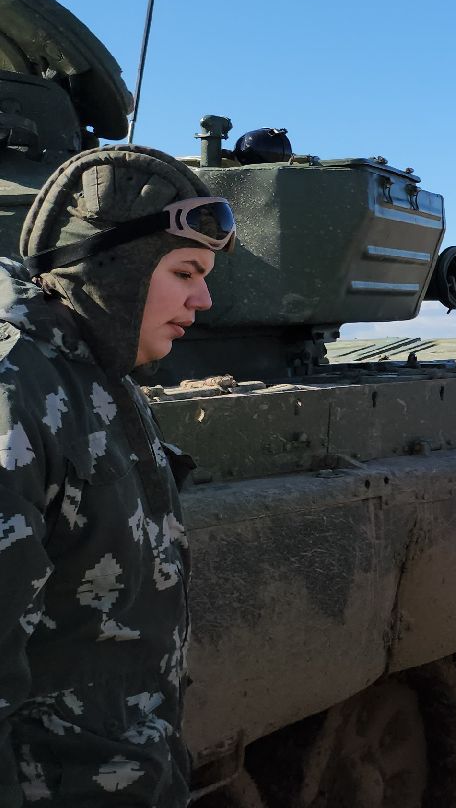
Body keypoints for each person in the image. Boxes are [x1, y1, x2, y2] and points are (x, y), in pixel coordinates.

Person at [0, 146, 235, 806]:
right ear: (118, 266)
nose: (205, 297)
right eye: (186, 270)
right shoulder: (17, 389)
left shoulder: (100, 373)